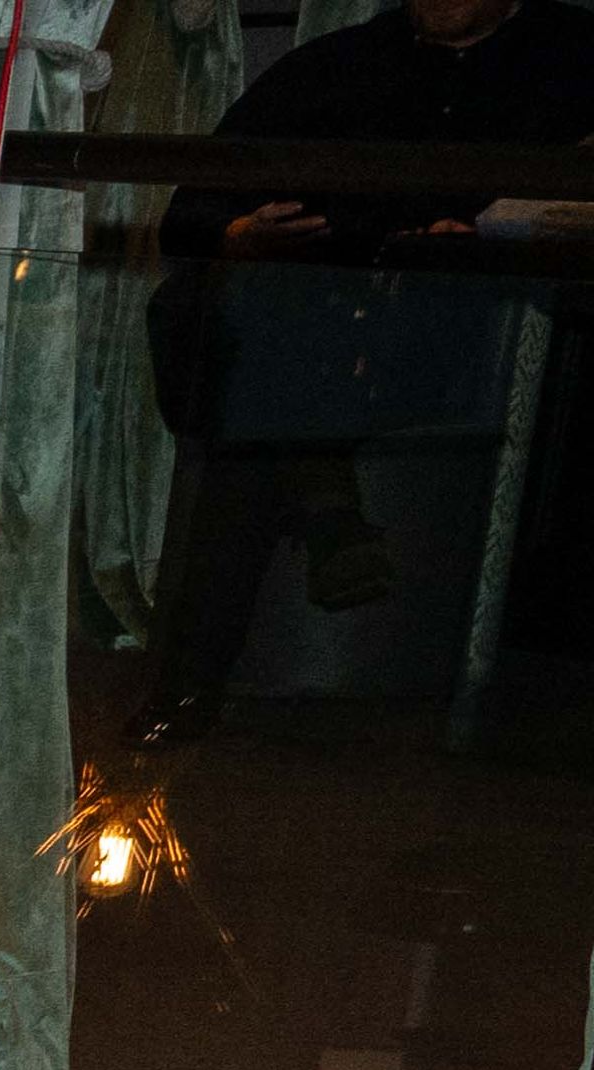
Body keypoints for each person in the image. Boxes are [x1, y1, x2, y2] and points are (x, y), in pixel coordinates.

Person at [134, 0, 594, 740]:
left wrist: (490, 239)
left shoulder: (571, 55)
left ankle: (191, 682)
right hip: (302, 318)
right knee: (260, 344)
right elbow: (192, 208)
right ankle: (326, 512)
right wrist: (244, 233)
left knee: (261, 400)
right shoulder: (335, 65)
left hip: (466, 319)